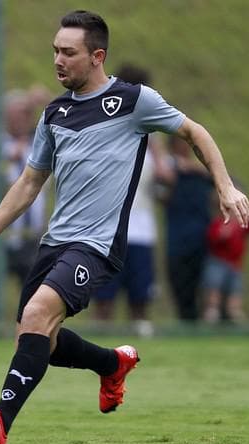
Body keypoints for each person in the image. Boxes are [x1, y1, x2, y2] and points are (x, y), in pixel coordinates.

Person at [0, 10, 249, 444]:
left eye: (68, 53)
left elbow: (195, 132)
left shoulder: (133, 101)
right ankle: (112, 364)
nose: (58, 60)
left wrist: (225, 185)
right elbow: (30, 181)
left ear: (97, 57)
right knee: (41, 342)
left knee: (37, 314)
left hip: (96, 246)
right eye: (55, 50)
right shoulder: (54, 112)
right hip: (54, 244)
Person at [91, 64, 166, 337]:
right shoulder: (107, 128)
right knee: (104, 299)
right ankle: (100, 345)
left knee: (140, 299)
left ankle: (139, 350)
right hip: (108, 229)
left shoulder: (151, 133)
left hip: (141, 230)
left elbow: (166, 177)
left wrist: (154, 144)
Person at [0, 88, 50, 321]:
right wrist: (5, 167)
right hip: (0, 234)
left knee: (36, 297)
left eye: (25, 113)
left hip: (32, 234)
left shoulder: (43, 141)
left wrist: (45, 100)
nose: (20, 119)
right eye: (15, 113)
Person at [161, 135, 214, 322]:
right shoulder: (167, 169)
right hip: (178, 239)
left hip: (202, 238)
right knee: (181, 288)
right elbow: (161, 189)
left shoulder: (202, 172)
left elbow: (227, 182)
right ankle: (186, 322)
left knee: (205, 287)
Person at [202, 189, 249, 324]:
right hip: (218, 263)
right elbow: (212, 238)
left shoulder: (240, 224)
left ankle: (235, 313)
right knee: (214, 289)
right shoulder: (218, 223)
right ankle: (212, 312)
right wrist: (223, 233)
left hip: (235, 264)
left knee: (235, 290)